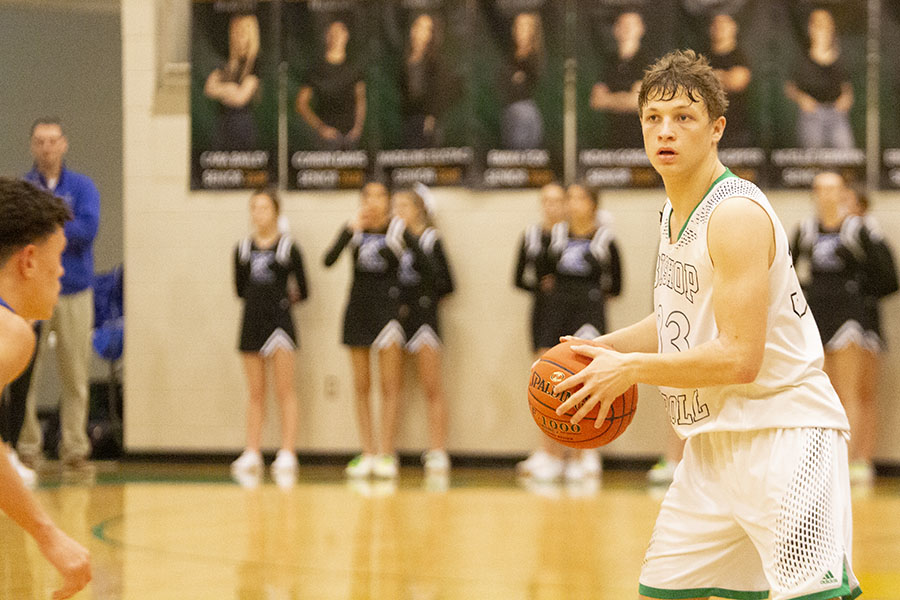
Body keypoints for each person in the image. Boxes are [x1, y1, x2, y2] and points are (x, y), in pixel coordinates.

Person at [555, 50, 860, 599]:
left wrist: (630, 370)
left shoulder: (735, 214)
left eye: (683, 118)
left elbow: (739, 357)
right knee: (663, 590)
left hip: (784, 437)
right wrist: (601, 347)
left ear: (716, 129)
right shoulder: (675, 211)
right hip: (712, 444)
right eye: (653, 118)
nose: (665, 131)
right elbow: (680, 317)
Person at [0, 176, 92, 599]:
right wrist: (49, 535)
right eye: (59, 257)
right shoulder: (12, 333)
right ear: (29, 260)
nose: (62, 271)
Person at [791, 173, 897, 486]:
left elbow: (887, 277)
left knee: (852, 391)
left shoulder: (858, 230)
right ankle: (823, 459)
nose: (827, 195)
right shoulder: (805, 230)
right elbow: (784, 271)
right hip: (816, 316)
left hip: (850, 316)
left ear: (843, 192)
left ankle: (853, 459)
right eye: (820, 189)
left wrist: (859, 282)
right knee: (821, 392)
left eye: (833, 189)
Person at [517, 183, 621, 483]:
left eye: (579, 198)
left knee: (585, 384)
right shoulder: (556, 237)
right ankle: (550, 454)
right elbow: (543, 274)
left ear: (592, 204)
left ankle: (582, 453)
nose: (572, 203)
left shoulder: (604, 239)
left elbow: (616, 285)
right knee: (547, 382)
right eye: (570, 198)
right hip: (554, 314)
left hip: (588, 316)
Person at [19, 118, 100, 476]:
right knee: (25, 374)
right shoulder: (23, 188)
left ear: (64, 144)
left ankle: (75, 449)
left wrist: (44, 225)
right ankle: (27, 447)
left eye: (53, 141)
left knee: (75, 374)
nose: (47, 147)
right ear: (33, 146)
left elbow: (86, 230)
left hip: (75, 290)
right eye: (41, 141)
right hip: (29, 296)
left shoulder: (83, 187)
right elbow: (18, 235)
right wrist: (59, 223)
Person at [324, 182, 411, 479]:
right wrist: (349, 230)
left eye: (380, 196)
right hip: (357, 312)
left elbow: (426, 269)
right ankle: (368, 451)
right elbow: (328, 260)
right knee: (362, 386)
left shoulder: (398, 232)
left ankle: (387, 452)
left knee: (390, 386)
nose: (373, 202)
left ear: (387, 201)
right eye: (368, 196)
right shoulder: (354, 231)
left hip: (387, 314)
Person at [230, 189, 308, 486]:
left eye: (264, 208)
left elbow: (304, 289)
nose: (258, 214)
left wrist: (283, 304)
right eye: (254, 208)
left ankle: (288, 450)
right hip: (251, 322)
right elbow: (239, 289)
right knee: (255, 392)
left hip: (280, 323)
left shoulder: (289, 248)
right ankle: (253, 450)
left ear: (276, 212)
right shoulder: (241, 249)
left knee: (285, 389)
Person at [393, 186, 454, 476]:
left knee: (432, 386)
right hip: (395, 319)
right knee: (393, 387)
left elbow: (446, 283)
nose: (398, 212)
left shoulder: (430, 239)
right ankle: (387, 450)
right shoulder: (391, 241)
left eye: (404, 205)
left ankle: (438, 449)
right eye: (396, 206)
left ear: (419, 209)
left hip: (425, 317)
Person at [784, 8, 855, 149]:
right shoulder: (801, 58)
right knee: (813, 159)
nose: (823, 30)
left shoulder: (842, 57)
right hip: (812, 115)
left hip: (837, 114)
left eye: (827, 25)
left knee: (847, 156)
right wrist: (802, 99)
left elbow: (847, 84)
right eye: (818, 25)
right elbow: (789, 87)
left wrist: (847, 97)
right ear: (811, 28)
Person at [296, 20, 366, 151]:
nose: (336, 37)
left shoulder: (354, 69)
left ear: (346, 36)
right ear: (326, 36)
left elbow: (360, 99)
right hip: (326, 139)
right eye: (332, 33)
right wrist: (320, 128)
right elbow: (301, 103)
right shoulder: (315, 70)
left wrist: (357, 128)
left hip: (351, 137)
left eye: (340, 33)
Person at [399, 14, 461, 148]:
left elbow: (444, 91)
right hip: (407, 120)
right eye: (418, 26)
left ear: (431, 34)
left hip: (427, 122)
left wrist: (432, 116)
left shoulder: (437, 62)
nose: (420, 32)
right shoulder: (402, 61)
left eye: (426, 28)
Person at [203, 13, 261, 151]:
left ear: (250, 35)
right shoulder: (228, 62)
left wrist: (222, 89)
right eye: (234, 33)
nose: (237, 37)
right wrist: (230, 88)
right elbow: (208, 88)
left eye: (241, 33)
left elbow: (240, 98)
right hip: (222, 122)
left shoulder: (256, 63)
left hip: (241, 125)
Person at [590, 11, 648, 149]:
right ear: (615, 29)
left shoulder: (647, 62)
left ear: (641, 28)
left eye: (632, 24)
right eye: (623, 24)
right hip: (611, 140)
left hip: (640, 143)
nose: (627, 29)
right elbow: (596, 101)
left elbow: (637, 103)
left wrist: (609, 100)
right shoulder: (609, 62)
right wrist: (625, 98)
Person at [707, 13, 753, 148]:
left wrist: (710, 77)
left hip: (736, 130)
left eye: (724, 24)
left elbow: (736, 82)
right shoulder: (702, 57)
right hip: (707, 130)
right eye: (716, 24)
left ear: (734, 28)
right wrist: (723, 77)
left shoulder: (740, 57)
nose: (719, 28)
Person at [500, 12, 544, 150]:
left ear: (533, 30)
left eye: (526, 26)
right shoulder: (509, 57)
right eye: (518, 26)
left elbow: (528, 83)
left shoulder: (536, 58)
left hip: (527, 112)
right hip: (510, 111)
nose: (521, 30)